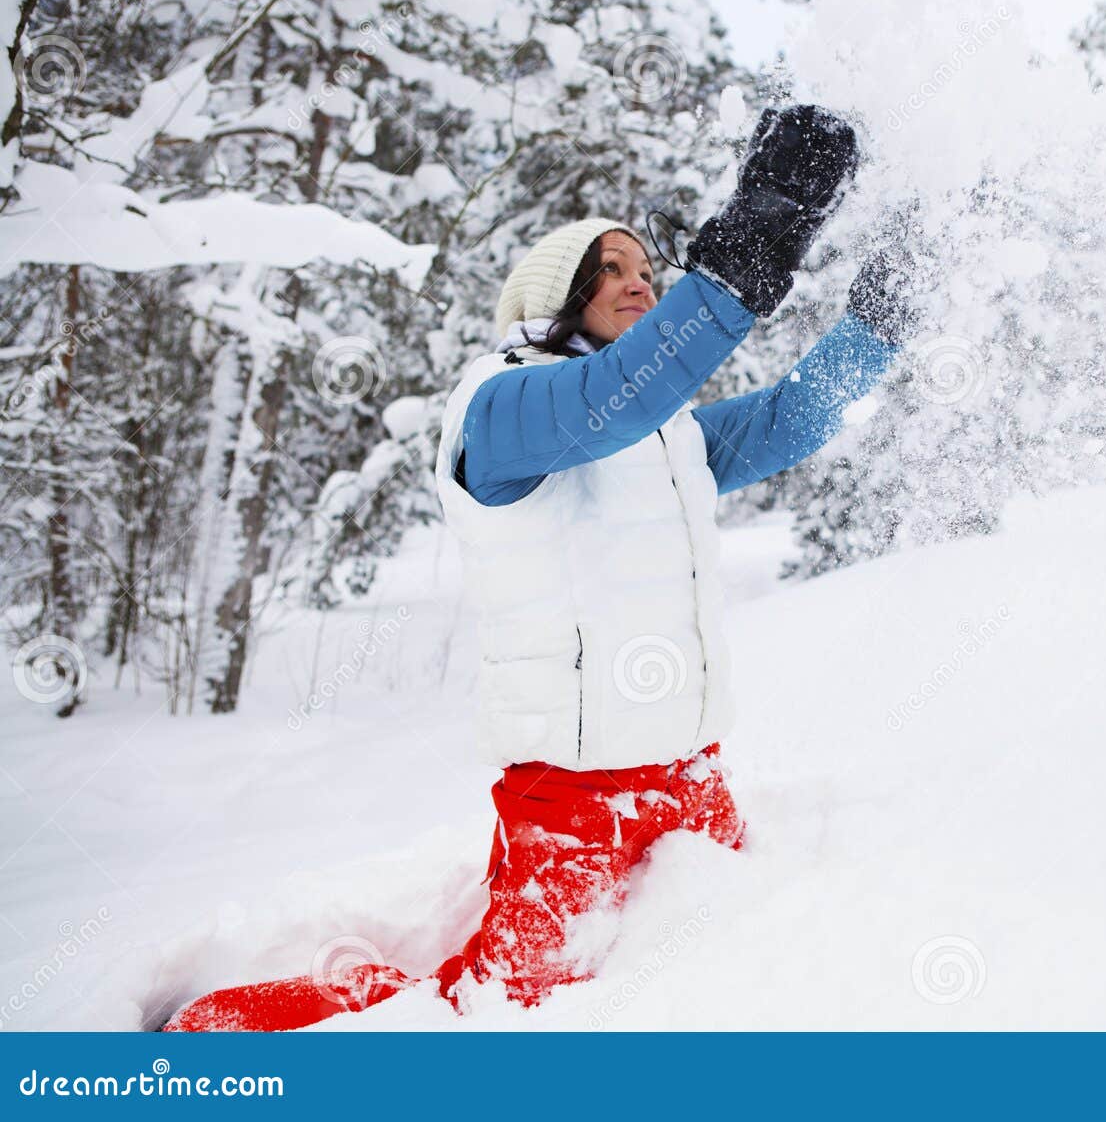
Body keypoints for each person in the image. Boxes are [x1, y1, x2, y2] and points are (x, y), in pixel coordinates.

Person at [162, 104, 922, 1032]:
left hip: (689, 776)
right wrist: (744, 253)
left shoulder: (668, 428)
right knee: (488, 1015)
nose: (640, 282)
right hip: (572, 793)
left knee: (707, 984)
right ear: (551, 292)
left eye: (650, 268)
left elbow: (784, 422)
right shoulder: (502, 405)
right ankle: (227, 1029)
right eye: (612, 269)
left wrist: (881, 321)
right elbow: (608, 399)